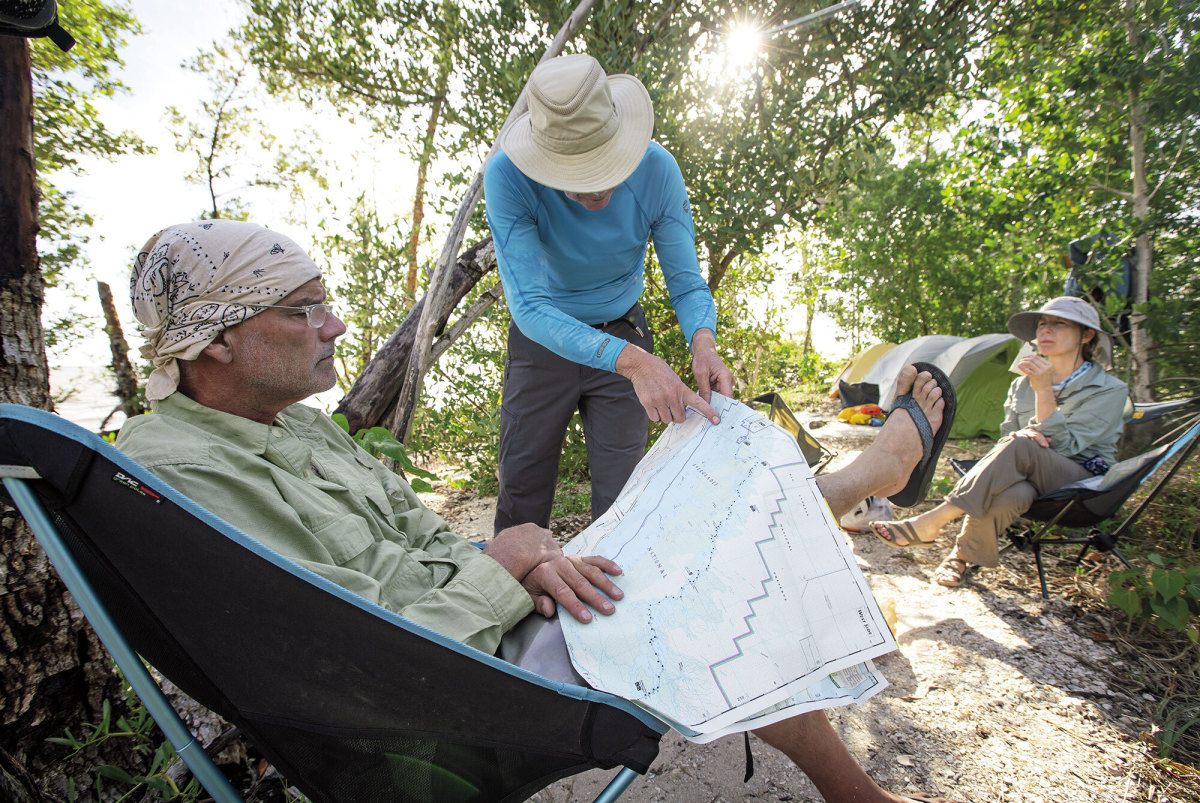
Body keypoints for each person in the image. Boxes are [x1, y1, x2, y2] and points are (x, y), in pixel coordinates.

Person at [117, 220, 952, 803]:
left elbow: (419, 546)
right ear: (216, 340)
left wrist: (524, 560)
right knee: (694, 582)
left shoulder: (297, 428)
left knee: (672, 545)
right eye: (303, 309)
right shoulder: (176, 471)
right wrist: (501, 570)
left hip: (487, 627)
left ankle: (833, 501)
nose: (334, 324)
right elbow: (349, 655)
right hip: (444, 689)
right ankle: (845, 488)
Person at [484, 53, 734, 534]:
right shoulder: (508, 177)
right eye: (572, 177)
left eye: (604, 167)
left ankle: (621, 605)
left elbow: (685, 281)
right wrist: (638, 362)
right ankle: (511, 597)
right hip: (542, 340)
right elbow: (531, 306)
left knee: (626, 500)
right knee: (521, 488)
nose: (594, 190)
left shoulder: (658, 170)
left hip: (622, 323)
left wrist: (703, 342)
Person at [869, 296, 1129, 587]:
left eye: (1059, 324)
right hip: (1027, 472)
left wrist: (1043, 392)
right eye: (1043, 324)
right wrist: (1021, 435)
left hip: (1082, 484)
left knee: (1021, 446)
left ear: (1088, 335)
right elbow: (1007, 439)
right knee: (1012, 492)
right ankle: (960, 556)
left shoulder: (1109, 389)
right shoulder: (1021, 384)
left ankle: (933, 521)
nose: (1045, 331)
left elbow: (1065, 448)